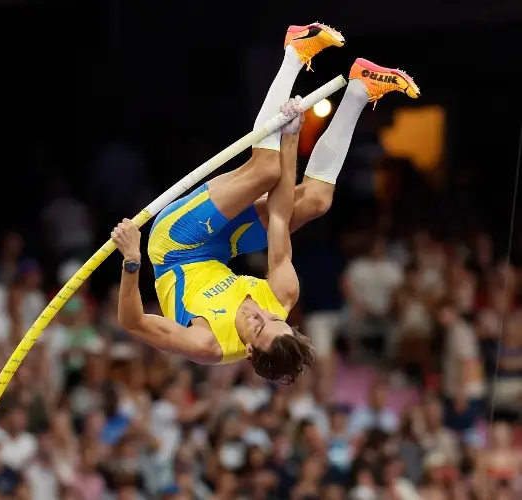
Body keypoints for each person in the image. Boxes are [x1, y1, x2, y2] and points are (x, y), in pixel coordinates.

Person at [112, 22, 420, 382]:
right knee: (317, 201)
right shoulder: (282, 296)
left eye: (258, 327)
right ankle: (359, 89)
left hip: (174, 245)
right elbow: (279, 217)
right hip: (219, 246)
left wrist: (132, 262)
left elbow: (132, 322)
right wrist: (291, 140)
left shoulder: (207, 343)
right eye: (274, 320)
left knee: (265, 169)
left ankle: (294, 51)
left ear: (249, 350)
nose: (261, 314)